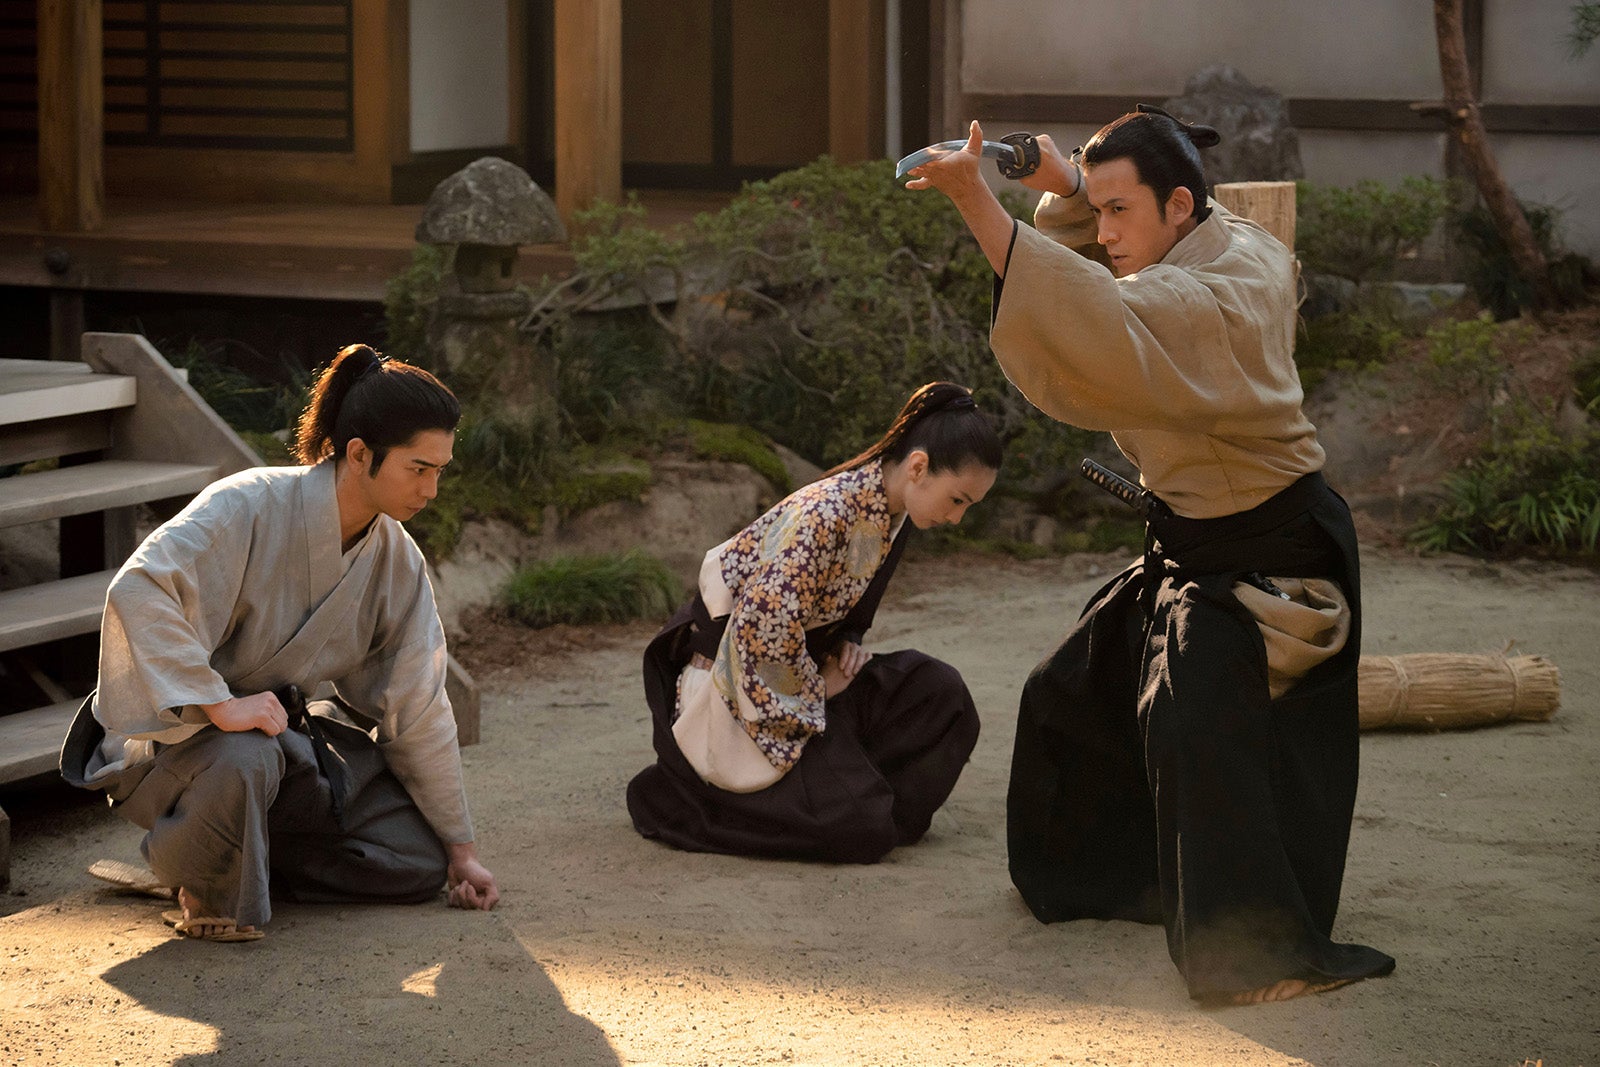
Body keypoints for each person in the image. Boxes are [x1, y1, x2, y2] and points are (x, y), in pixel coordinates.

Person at [905, 109, 1395, 1005]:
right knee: (1069, 689)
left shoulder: (1220, 297)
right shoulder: (1209, 234)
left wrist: (979, 202)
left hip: (1269, 556)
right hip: (1191, 541)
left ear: (1179, 204)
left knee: (1198, 728)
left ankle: (1263, 954)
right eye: (1099, 211)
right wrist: (1064, 185)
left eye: (1120, 211)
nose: (1107, 233)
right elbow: (1108, 274)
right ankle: (1120, 883)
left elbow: (1096, 315)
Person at [61, 343, 498, 941]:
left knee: (415, 861)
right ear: (360, 454)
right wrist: (219, 703)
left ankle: (236, 859)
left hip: (280, 741)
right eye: (418, 469)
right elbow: (140, 587)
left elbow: (417, 707)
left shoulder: (396, 557)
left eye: (439, 471)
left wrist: (461, 849)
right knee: (247, 755)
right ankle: (192, 873)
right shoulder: (249, 504)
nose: (431, 490)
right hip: (180, 745)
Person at [626, 382, 1000, 863]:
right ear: (919, 467)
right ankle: (686, 793)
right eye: (958, 500)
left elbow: (843, 608)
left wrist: (846, 640)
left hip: (799, 676)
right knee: (861, 827)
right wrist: (817, 689)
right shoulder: (824, 514)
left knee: (941, 695)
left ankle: (845, 791)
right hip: (737, 691)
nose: (958, 518)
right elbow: (759, 634)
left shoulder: (893, 510)